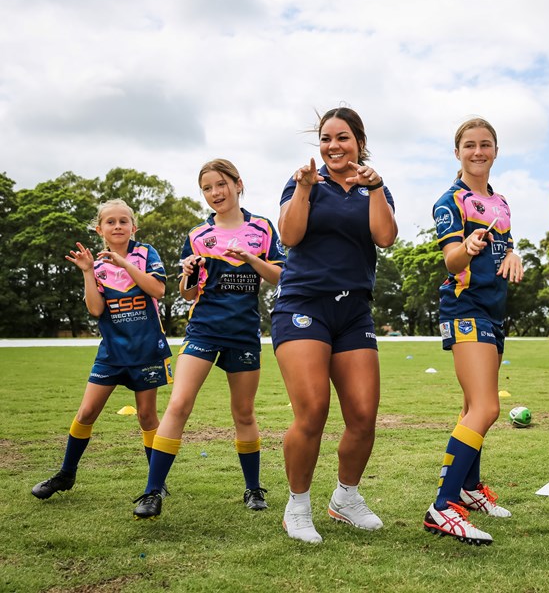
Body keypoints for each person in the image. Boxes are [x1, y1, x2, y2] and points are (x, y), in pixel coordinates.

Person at [272, 107, 398, 544]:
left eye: (342, 138)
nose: (333, 146)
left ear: (359, 141)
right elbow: (289, 236)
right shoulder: (303, 181)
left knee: (363, 415)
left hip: (354, 311)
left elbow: (385, 237)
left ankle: (345, 498)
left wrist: (376, 186)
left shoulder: (374, 187)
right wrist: (305, 189)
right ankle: (298, 506)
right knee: (312, 411)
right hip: (303, 305)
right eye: (326, 138)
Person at [133, 159, 283, 519]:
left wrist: (250, 257)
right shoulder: (198, 234)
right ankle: (153, 492)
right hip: (203, 329)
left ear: (237, 183)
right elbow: (187, 294)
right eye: (207, 188)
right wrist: (187, 273)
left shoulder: (261, 227)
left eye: (221, 184)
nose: (215, 193)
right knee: (180, 403)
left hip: (244, 332)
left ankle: (253, 489)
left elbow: (279, 276)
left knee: (243, 411)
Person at [422, 117, 524, 546]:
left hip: (494, 312)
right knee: (486, 408)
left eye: (485, 144)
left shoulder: (500, 202)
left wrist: (514, 252)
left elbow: (505, 242)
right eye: (469, 145)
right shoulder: (451, 201)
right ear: (457, 152)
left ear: (496, 151)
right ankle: (443, 506)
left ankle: (468, 488)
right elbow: (450, 262)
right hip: (466, 309)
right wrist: (468, 248)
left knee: (471, 408)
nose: (478, 151)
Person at [32, 199, 172, 500]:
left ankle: (155, 484)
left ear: (134, 227)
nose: (118, 226)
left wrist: (124, 263)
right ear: (100, 229)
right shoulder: (95, 266)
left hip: (146, 350)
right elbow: (96, 310)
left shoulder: (146, 253)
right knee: (86, 412)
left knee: (147, 416)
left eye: (124, 221)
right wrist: (86, 272)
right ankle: (66, 473)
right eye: (111, 222)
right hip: (111, 352)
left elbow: (158, 290)